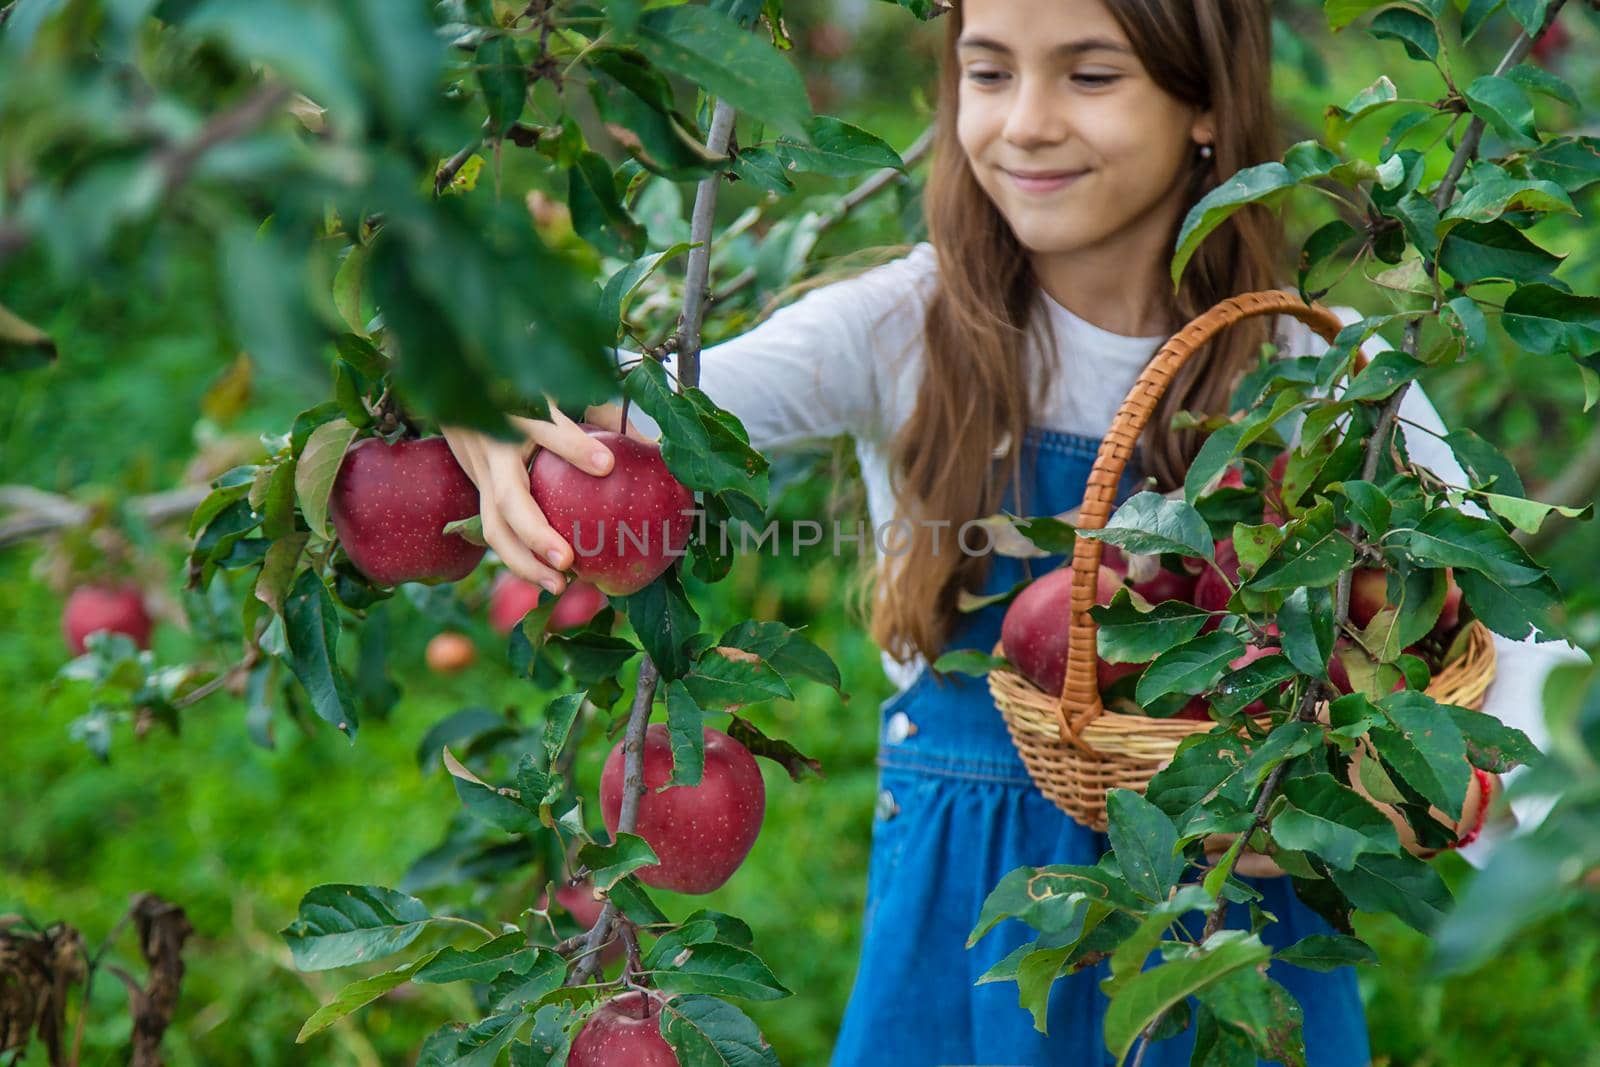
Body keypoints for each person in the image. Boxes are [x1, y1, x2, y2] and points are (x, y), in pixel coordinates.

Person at [443, 0, 1583, 1062]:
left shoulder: (1325, 370)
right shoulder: (901, 325)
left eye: (1089, 74)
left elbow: (1530, 661)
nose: (1025, 123)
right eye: (987, 72)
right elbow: (646, 405)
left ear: (1202, 107)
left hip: (1231, 929)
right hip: (959, 935)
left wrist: (1489, 802)